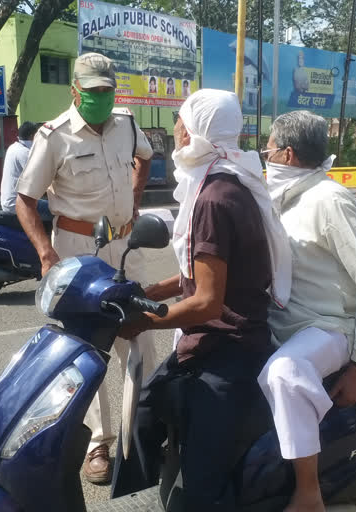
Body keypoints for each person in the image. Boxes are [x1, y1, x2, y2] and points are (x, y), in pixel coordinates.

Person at [111, 89, 292, 511]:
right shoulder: (230, 179)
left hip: (227, 349)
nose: (177, 128)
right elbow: (207, 270)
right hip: (217, 340)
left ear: (198, 130)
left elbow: (208, 302)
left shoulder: (213, 196)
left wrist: (144, 321)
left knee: (204, 490)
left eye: (182, 119)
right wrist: (151, 292)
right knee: (145, 408)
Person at [14, 52, 156, 485]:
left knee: (143, 338)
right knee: (86, 350)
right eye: (92, 92)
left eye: (107, 91)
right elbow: (25, 199)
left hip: (125, 246)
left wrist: (135, 196)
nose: (101, 98)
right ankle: (99, 442)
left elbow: (145, 157)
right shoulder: (54, 136)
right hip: (77, 248)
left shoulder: (127, 124)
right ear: (75, 91)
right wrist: (45, 253)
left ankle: (145, 433)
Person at [258, 111, 356, 512]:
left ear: (287, 154)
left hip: (328, 327)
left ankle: (309, 493)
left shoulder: (330, 199)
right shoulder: (281, 197)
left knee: (284, 374)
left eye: (267, 149)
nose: (264, 156)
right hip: (284, 322)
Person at [0, 121, 48, 215]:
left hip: (7, 201)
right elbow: (38, 176)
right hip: (16, 203)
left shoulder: (13, 147)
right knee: (54, 210)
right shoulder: (24, 153)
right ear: (32, 136)